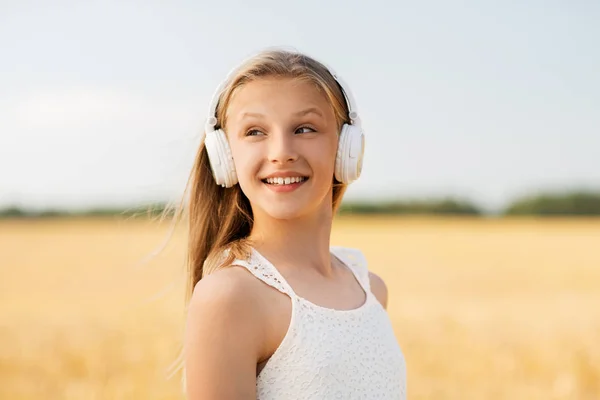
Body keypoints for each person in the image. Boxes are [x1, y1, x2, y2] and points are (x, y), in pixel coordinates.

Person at [181, 48, 406, 399]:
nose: (281, 151)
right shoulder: (230, 297)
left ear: (347, 148)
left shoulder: (371, 289)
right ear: (225, 156)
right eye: (255, 131)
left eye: (304, 128)